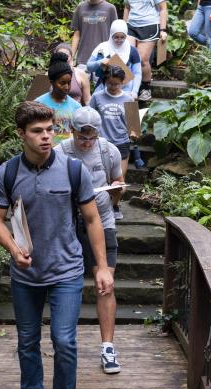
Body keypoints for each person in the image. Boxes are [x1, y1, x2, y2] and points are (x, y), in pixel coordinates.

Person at [0, 101, 114, 389]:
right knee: (27, 341)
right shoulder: (8, 173)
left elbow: (92, 219)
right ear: (21, 135)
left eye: (49, 130)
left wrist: (102, 267)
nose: (46, 137)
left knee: (64, 340)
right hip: (26, 275)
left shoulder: (74, 170)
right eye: (37, 132)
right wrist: (14, 250)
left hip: (66, 270)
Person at [53, 107, 125, 374]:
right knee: (63, 284)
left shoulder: (109, 151)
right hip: (70, 224)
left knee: (105, 283)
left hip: (103, 221)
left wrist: (115, 193)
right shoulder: (61, 152)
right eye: (82, 137)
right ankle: (64, 344)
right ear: (72, 131)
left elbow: (118, 180)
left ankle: (108, 347)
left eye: (91, 137)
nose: (86, 142)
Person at [89, 66, 139, 215]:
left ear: (122, 82)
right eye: (109, 83)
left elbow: (134, 126)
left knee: (118, 183)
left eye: (116, 84)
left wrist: (134, 133)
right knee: (102, 179)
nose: (112, 87)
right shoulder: (97, 97)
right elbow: (90, 117)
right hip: (101, 143)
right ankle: (102, 208)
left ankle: (113, 205)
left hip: (121, 143)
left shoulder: (128, 99)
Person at [123, 0, 167, 101]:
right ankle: (128, 87)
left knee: (142, 59)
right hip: (131, 26)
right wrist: (123, 26)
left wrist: (163, 30)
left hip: (150, 25)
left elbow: (163, 8)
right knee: (127, 57)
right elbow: (127, 8)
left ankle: (145, 88)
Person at [87, 20, 142, 100]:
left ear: (126, 36)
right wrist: (100, 62)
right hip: (104, 87)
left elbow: (137, 73)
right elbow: (89, 66)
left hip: (126, 90)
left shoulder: (132, 50)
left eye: (122, 37)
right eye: (116, 37)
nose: (119, 40)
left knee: (128, 112)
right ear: (111, 35)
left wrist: (134, 91)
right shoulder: (102, 47)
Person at [35, 52, 82, 144]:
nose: (67, 87)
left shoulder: (76, 106)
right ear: (52, 82)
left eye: (69, 83)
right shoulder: (39, 104)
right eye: (62, 83)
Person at [70, 0, 119, 66]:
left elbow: (115, 35)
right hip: (83, 60)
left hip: (104, 59)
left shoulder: (110, 8)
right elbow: (76, 35)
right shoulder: (80, 7)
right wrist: (71, 58)